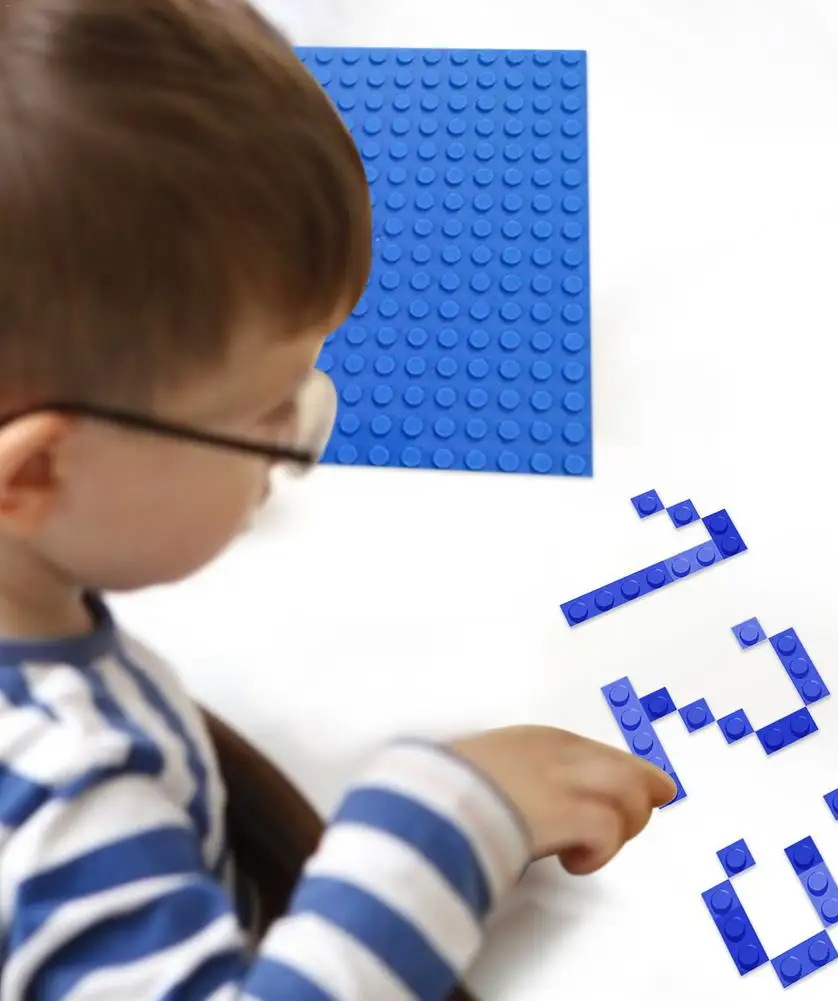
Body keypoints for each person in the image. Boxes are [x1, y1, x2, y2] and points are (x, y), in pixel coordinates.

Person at [0, 1, 677, 999]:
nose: (297, 442)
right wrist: (443, 827)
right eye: (268, 412)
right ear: (35, 474)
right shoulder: (68, 790)